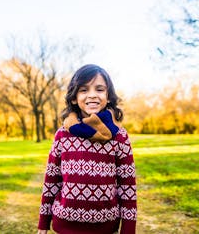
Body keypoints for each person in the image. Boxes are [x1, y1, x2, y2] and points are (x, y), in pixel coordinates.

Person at [37, 64, 137, 234]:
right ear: (74, 98)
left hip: (105, 226)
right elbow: (51, 181)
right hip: (65, 225)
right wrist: (43, 223)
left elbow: (127, 188)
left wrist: (128, 230)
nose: (92, 95)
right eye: (84, 90)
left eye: (99, 89)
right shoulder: (62, 135)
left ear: (108, 96)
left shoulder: (119, 136)